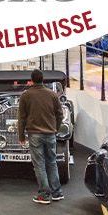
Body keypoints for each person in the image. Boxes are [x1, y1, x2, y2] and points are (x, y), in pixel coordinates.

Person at [17, 69, 64, 204]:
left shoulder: (26, 96)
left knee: (39, 165)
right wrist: (55, 128)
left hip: (35, 134)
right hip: (51, 134)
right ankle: (57, 192)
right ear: (42, 79)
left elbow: (22, 118)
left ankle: (44, 195)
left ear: (31, 80)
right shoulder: (52, 95)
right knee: (52, 162)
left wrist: (21, 136)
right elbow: (60, 114)